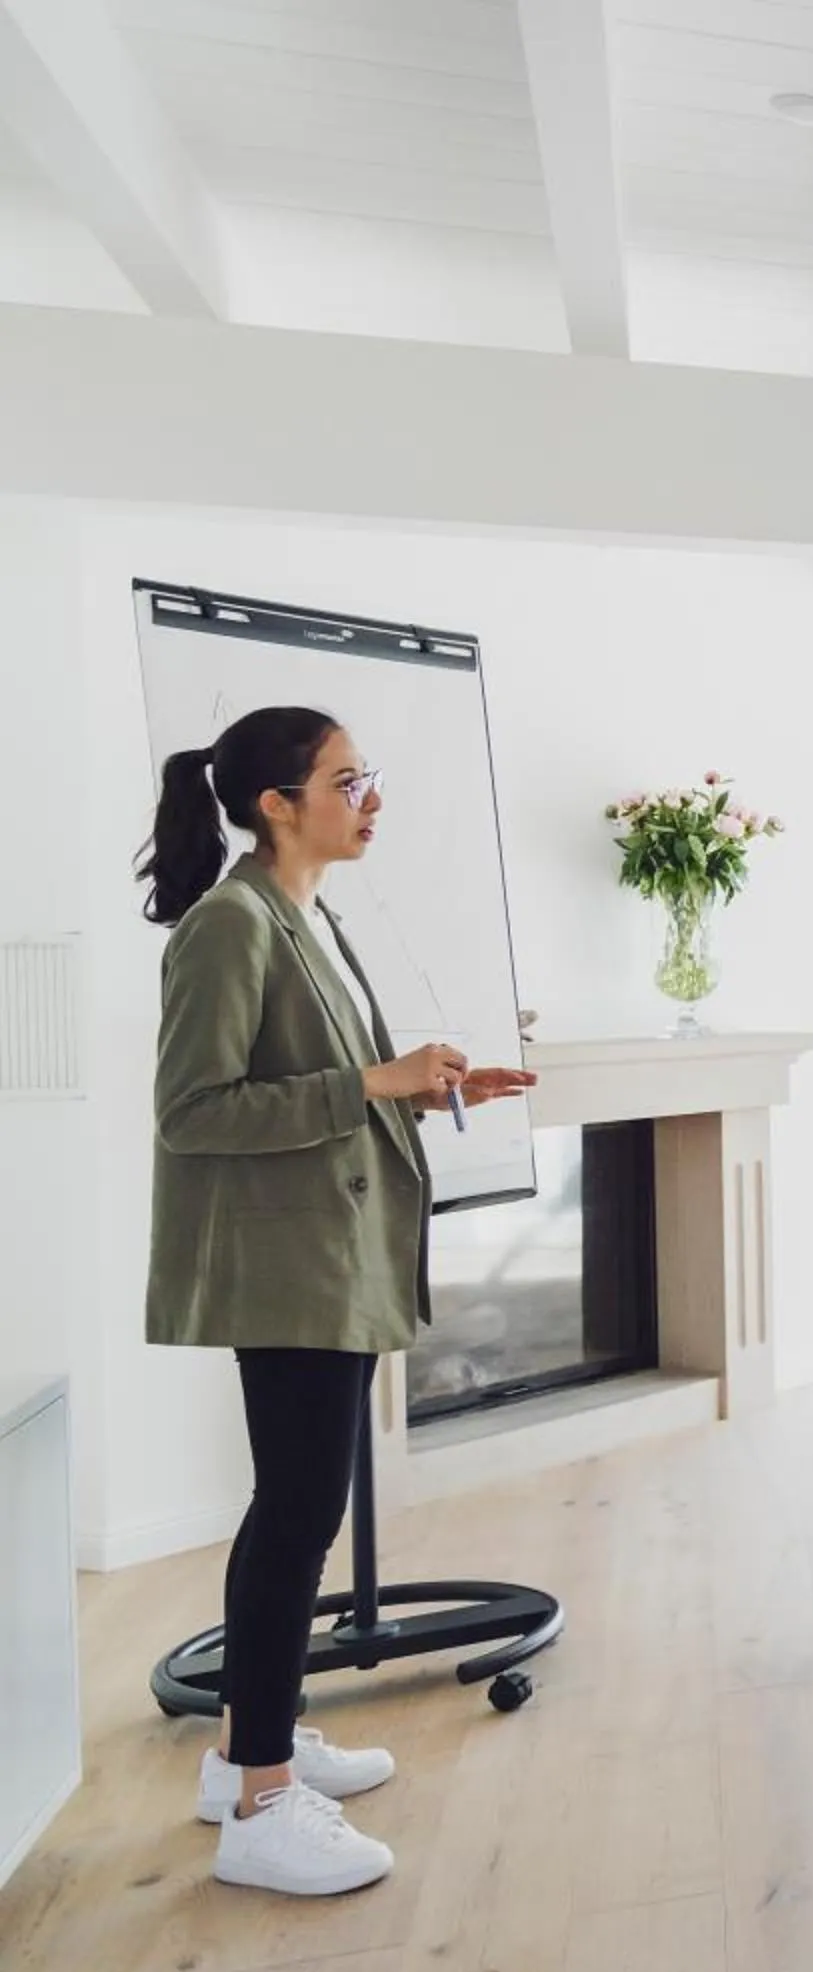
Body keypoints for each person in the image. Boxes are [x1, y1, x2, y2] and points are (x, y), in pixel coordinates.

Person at [137, 706, 534, 1896]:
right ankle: (262, 1798)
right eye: (349, 779)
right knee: (298, 1513)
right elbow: (192, 1110)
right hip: (289, 1266)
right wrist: (374, 1077)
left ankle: (245, 1747)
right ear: (277, 802)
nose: (371, 798)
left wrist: (421, 1086)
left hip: (333, 1253)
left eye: (370, 776)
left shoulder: (306, 912)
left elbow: (317, 1083)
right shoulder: (227, 926)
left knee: (300, 1507)